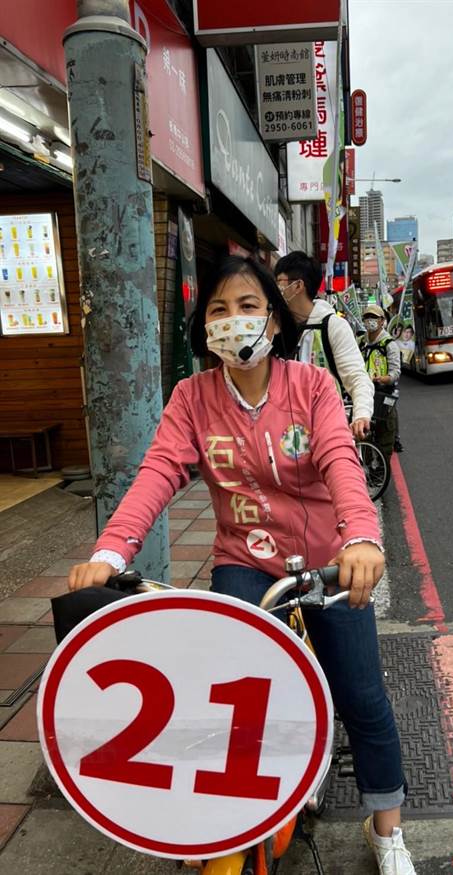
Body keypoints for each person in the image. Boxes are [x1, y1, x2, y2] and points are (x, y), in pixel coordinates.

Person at [61, 256, 415, 875]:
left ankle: (386, 829)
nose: (234, 322)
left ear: (275, 322)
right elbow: (157, 475)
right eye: (219, 311)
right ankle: (244, 805)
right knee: (236, 699)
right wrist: (109, 554)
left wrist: (361, 537)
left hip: (329, 565)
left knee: (361, 696)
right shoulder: (191, 399)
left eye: (249, 306)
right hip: (245, 565)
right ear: (205, 330)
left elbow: (340, 462)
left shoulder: (313, 387)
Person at [273, 251, 374, 441]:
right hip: (284, 438)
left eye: (280, 282)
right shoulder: (274, 327)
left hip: (327, 433)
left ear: (298, 286)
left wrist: (361, 414)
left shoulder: (332, 326)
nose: (276, 288)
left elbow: (357, 376)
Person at [359, 304, 402, 461]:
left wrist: (384, 379)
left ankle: (382, 470)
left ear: (382, 320)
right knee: (364, 434)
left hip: (383, 393)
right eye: (367, 317)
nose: (370, 321)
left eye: (374, 317)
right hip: (364, 393)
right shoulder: (360, 342)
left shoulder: (390, 344)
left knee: (385, 435)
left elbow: (396, 372)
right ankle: (369, 466)